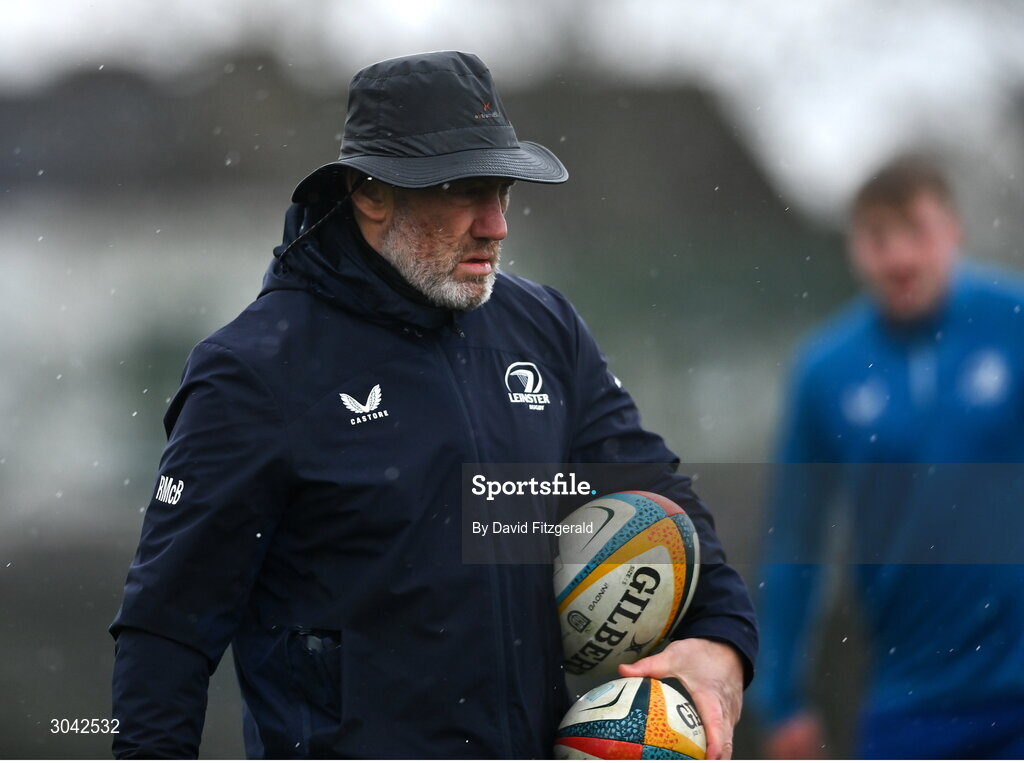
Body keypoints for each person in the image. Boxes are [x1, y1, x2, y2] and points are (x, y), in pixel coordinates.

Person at [110, 51, 757, 759]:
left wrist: (721, 637)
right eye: (463, 189)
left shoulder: (543, 329)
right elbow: (166, 631)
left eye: (502, 188)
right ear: (369, 192)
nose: (496, 223)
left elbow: (655, 492)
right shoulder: (253, 374)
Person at [753, 155, 1024, 759]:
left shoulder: (1015, 322)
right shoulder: (826, 370)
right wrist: (782, 697)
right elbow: (796, 539)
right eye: (878, 238)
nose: (899, 258)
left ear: (952, 231)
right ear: (854, 246)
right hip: (909, 697)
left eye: (917, 233)